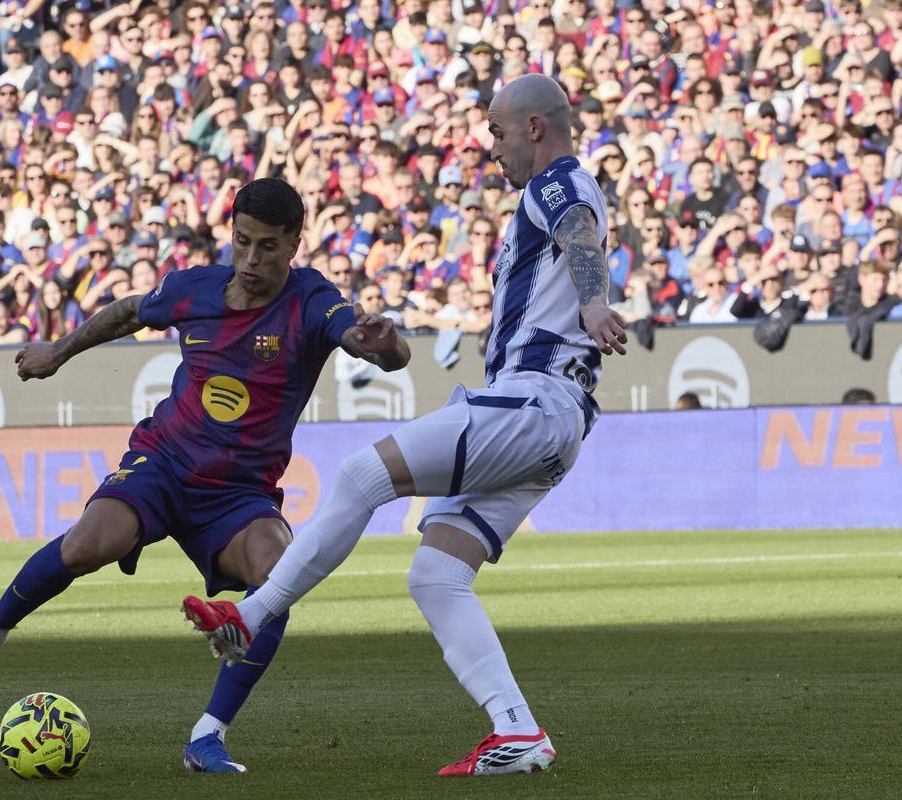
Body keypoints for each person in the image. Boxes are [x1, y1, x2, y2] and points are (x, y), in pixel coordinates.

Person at [182, 74, 628, 778]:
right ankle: (517, 731)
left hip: (534, 402)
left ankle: (252, 615)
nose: (493, 147)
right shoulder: (551, 193)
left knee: (363, 473)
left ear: (535, 128)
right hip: (551, 425)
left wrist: (596, 300)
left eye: (498, 131)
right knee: (437, 575)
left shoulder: (557, 183)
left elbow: (578, 231)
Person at [0, 178, 409, 774]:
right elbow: (128, 312)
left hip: (238, 493)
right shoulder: (194, 288)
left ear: (294, 245)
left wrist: (387, 347)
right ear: (231, 234)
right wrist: (60, 351)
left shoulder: (311, 301)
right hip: (165, 461)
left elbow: (364, 341)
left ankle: (207, 738)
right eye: (243, 243)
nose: (253, 261)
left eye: (269, 248)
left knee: (279, 580)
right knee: (86, 545)